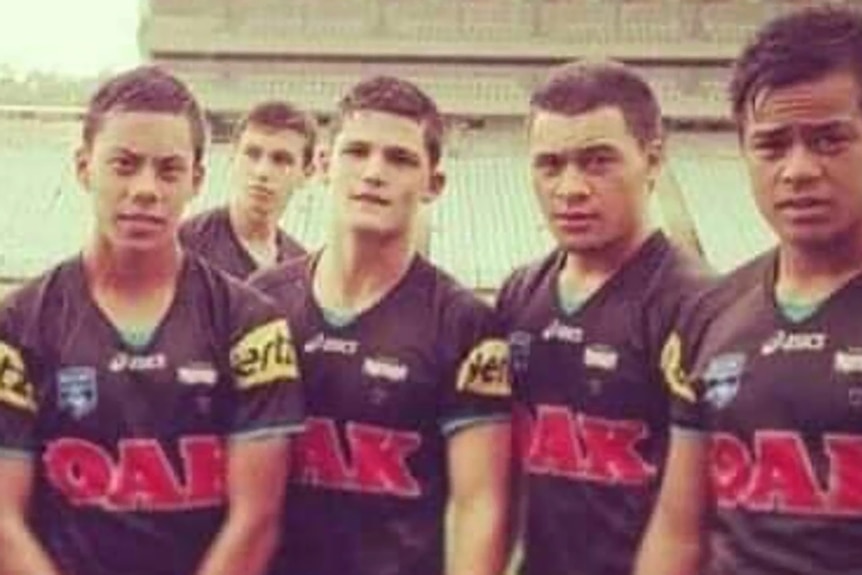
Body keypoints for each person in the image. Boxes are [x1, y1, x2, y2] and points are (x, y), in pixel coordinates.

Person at [0, 66, 303, 575]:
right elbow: (4, 520)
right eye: (124, 164)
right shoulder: (18, 324)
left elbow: (257, 518)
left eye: (168, 170)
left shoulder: (251, 324)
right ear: (83, 167)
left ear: (196, 180)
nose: (145, 188)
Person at [252, 75, 512, 575]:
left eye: (400, 159)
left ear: (434, 183)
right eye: (357, 152)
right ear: (324, 165)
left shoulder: (465, 324)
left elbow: (479, 506)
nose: (374, 172)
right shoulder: (259, 304)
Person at [636, 6, 862, 575]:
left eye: (830, 140)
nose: (798, 170)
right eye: (771, 145)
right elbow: (679, 530)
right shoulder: (711, 313)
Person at [495, 59, 711, 575]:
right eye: (549, 165)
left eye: (597, 162)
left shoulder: (698, 305)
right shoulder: (520, 293)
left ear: (653, 160)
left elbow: (704, 518)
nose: (570, 188)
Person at [181, 100, 315, 279]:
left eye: (281, 160)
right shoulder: (183, 246)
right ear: (232, 157)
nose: (262, 172)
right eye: (252, 154)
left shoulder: (302, 270)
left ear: (306, 174)